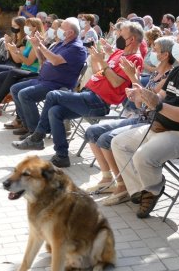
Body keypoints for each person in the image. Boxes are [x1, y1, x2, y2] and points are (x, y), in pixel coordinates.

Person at [110, 27, 179, 218]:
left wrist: (158, 105)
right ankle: (139, 190)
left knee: (142, 156)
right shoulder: (178, 70)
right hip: (160, 127)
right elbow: (158, 96)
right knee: (118, 143)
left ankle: (153, 190)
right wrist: (142, 95)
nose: (175, 45)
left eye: (178, 42)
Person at [12, 21, 145, 168]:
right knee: (54, 111)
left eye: (121, 34)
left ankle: (38, 136)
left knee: (53, 95)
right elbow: (98, 74)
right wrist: (96, 60)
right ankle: (61, 156)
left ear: (131, 39)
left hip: (99, 102)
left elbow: (116, 83)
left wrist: (103, 62)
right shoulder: (119, 53)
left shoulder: (135, 59)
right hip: (88, 95)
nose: (117, 35)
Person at [83, 37, 175, 205]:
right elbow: (140, 103)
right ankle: (106, 177)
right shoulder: (155, 74)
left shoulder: (169, 76)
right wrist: (134, 93)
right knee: (91, 132)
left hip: (150, 121)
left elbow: (151, 102)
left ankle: (122, 185)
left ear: (164, 55)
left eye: (155, 49)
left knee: (105, 139)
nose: (151, 53)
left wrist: (133, 77)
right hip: (140, 116)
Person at [8, 17, 87, 139]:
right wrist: (36, 46)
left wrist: (41, 45)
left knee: (25, 95)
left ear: (70, 32)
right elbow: (42, 61)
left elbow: (55, 61)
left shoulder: (76, 48)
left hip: (57, 84)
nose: (58, 31)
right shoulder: (61, 43)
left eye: (61, 28)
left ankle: (36, 132)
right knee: (15, 89)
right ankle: (27, 125)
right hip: (44, 80)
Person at [0, 18, 43, 114]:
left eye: (28, 26)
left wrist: (15, 51)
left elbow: (28, 62)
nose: (25, 28)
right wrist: (11, 49)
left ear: (35, 28)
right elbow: (19, 59)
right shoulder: (28, 40)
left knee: (13, 72)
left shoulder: (37, 42)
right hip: (23, 69)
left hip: (33, 71)